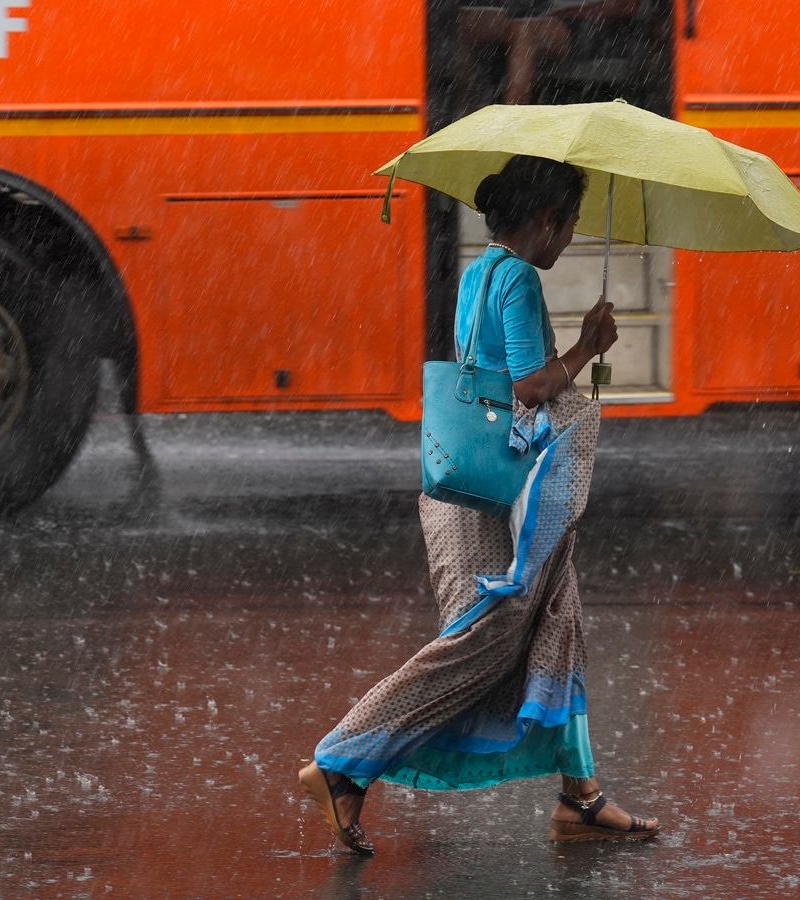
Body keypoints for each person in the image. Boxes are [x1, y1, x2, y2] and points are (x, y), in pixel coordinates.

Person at [297, 155, 659, 854]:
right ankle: (342, 760)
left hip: (493, 477)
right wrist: (589, 346)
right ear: (547, 221)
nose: (571, 239)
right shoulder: (519, 277)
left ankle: (579, 799)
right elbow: (527, 386)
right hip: (502, 494)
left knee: (561, 618)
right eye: (571, 225)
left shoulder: (478, 270)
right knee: (486, 638)